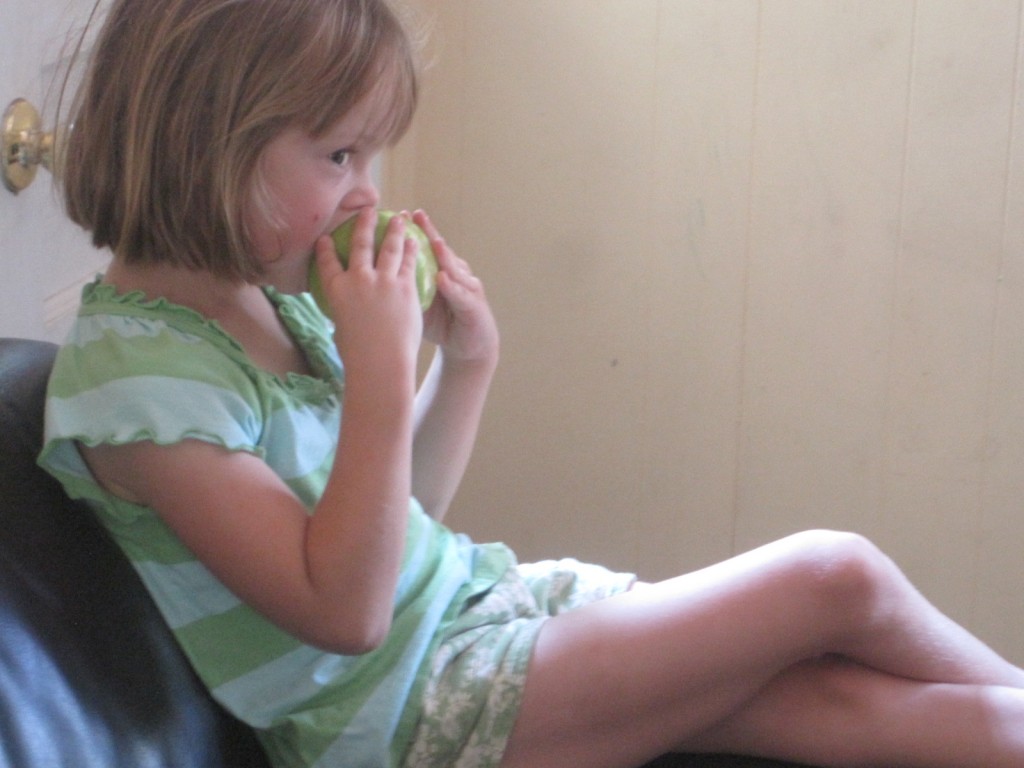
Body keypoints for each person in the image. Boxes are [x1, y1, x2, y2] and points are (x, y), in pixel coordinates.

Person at [39, 1, 1024, 766]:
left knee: (839, 698)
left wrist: (467, 362)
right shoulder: (138, 383)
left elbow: (396, 525)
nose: (367, 192)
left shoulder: (267, 301)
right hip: (410, 714)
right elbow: (346, 613)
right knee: (834, 576)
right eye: (339, 154)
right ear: (210, 140)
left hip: (478, 619)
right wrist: (379, 369)